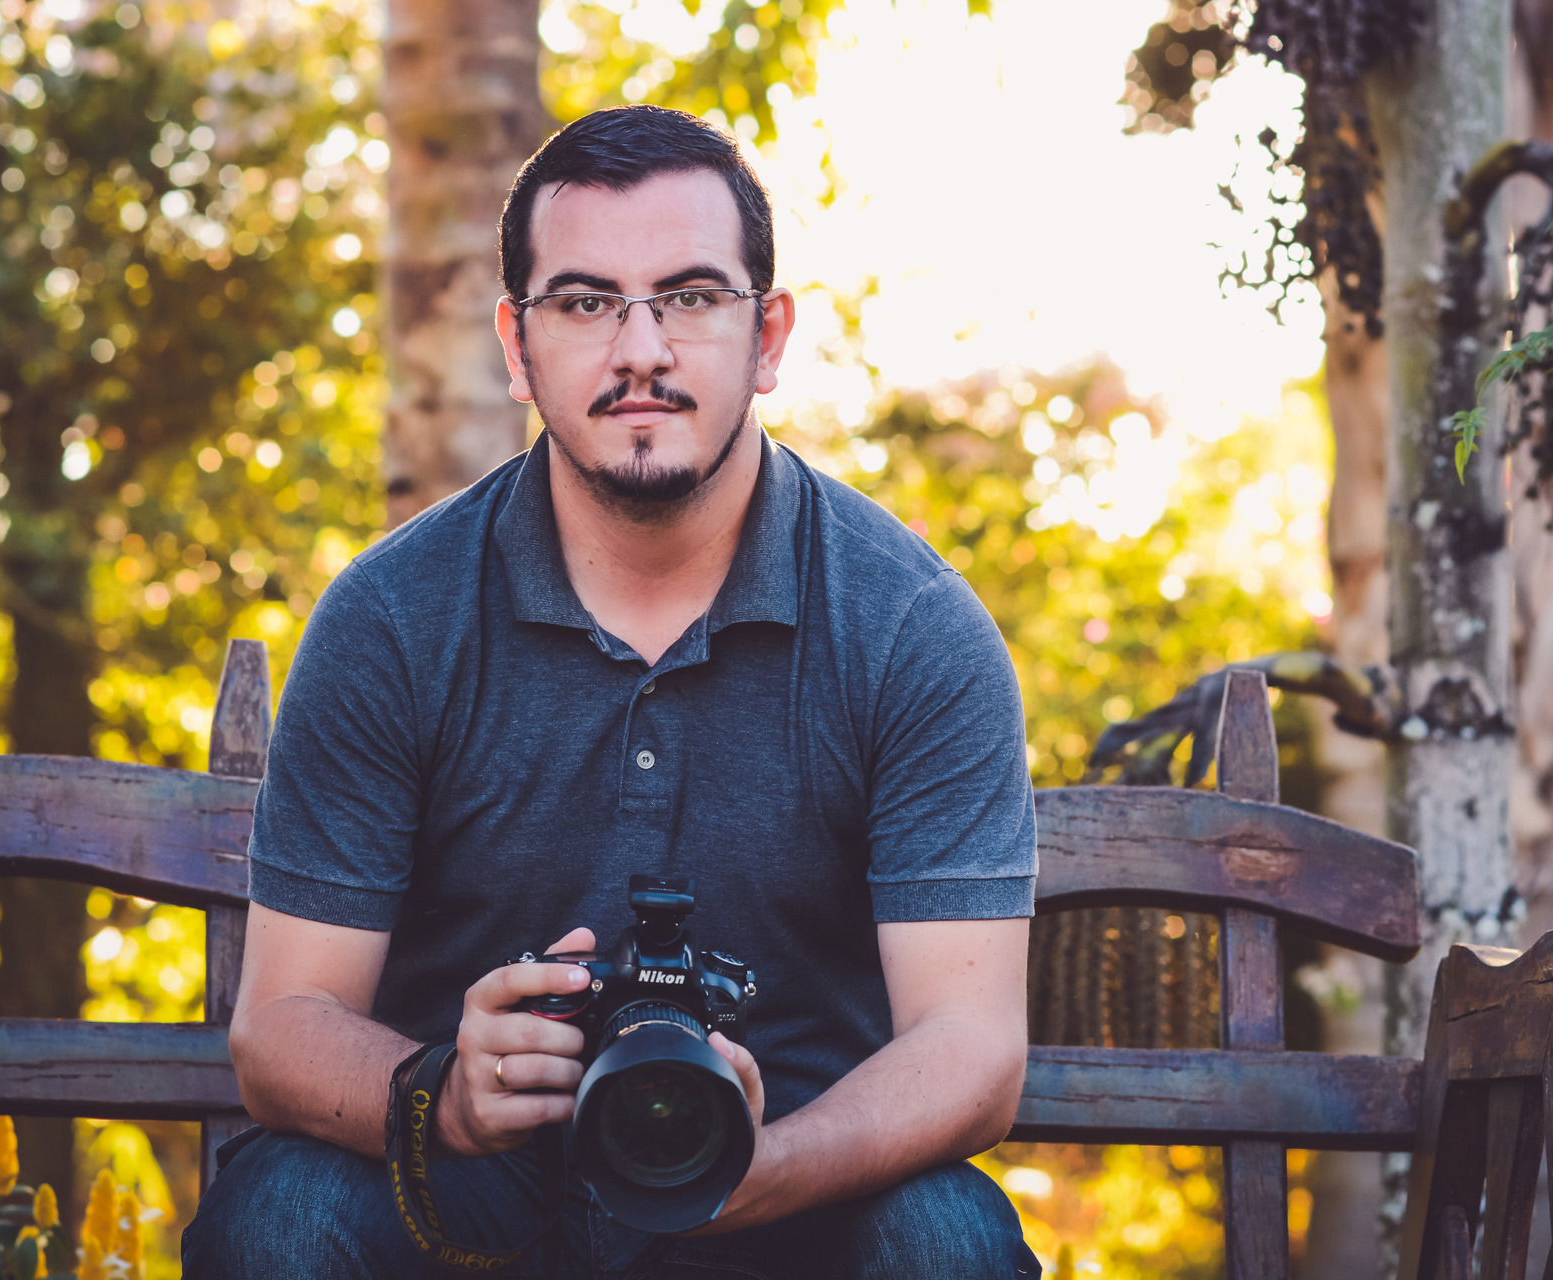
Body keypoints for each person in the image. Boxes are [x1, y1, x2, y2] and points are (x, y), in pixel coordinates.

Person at [182, 104, 1040, 1279]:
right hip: (467, 1201)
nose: (642, 349)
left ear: (768, 336)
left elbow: (973, 1049)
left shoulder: (910, 626)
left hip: (790, 1197)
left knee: (946, 1239)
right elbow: (281, 1027)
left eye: (690, 296)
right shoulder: (392, 616)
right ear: (518, 345)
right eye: (586, 303)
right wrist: (443, 1092)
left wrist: (764, 1166)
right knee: (278, 1211)